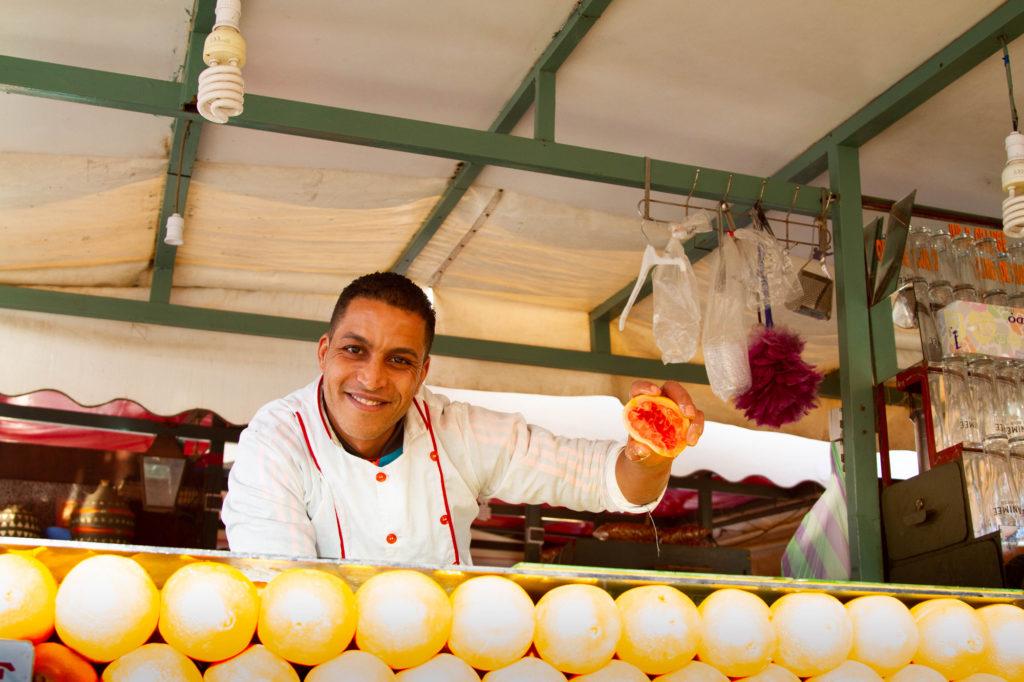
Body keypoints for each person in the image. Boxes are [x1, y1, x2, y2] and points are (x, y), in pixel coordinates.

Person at [222, 272, 705, 565]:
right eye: (354, 350)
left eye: (399, 360)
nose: (371, 379)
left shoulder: (457, 430)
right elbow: (281, 587)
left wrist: (648, 453)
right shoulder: (278, 440)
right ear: (324, 352)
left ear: (422, 373)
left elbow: (607, 481)